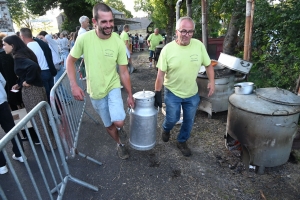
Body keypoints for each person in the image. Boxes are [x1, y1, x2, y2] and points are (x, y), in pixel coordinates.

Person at [66, 2, 135, 160]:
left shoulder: (117, 40)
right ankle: (120, 144)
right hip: (96, 92)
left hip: (113, 86)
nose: (109, 25)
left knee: (118, 121)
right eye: (104, 21)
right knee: (109, 125)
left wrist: (130, 95)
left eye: (111, 21)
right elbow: (70, 61)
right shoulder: (84, 39)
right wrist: (74, 85)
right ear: (95, 21)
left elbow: (123, 72)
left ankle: (120, 128)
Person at [154, 17, 215, 157]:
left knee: (189, 120)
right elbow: (160, 75)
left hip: (191, 92)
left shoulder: (198, 45)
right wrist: (157, 92)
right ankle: (166, 129)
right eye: (183, 31)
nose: (186, 35)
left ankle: (181, 141)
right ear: (177, 31)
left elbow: (208, 65)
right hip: (172, 91)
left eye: (190, 32)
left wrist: (212, 81)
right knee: (172, 118)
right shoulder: (167, 50)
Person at [3, 35, 57, 151]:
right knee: (42, 118)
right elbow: (28, 69)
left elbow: (33, 67)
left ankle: (50, 145)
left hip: (32, 91)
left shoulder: (18, 56)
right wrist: (20, 82)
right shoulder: (24, 53)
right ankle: (50, 142)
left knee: (38, 119)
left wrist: (28, 81)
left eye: (4, 45)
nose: (3, 47)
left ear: (12, 45)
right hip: (37, 89)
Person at [19, 28, 56, 103]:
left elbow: (31, 65)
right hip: (48, 70)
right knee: (53, 96)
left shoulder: (28, 48)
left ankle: (54, 113)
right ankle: (59, 112)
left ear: (22, 36)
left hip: (41, 73)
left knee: (46, 97)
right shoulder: (40, 43)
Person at [0, 72, 25, 175]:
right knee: (11, 128)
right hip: (1, 101)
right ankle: (20, 154)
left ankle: (1, 165)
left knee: (11, 128)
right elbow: (3, 81)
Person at [0, 33, 23, 110]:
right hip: (12, 80)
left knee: (13, 93)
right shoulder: (8, 54)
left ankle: (16, 104)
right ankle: (18, 103)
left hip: (9, 81)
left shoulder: (5, 55)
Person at [77, 16, 90, 80]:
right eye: (87, 22)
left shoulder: (83, 31)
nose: (88, 24)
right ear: (83, 22)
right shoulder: (82, 32)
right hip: (85, 54)